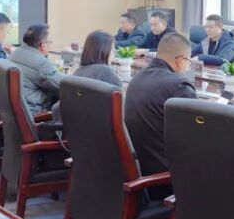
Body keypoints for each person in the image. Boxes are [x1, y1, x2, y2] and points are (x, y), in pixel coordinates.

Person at [123, 31, 197, 187]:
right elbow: (193, 138)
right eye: (188, 62)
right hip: (164, 179)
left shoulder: (137, 78)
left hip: (137, 169)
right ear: (180, 61)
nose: (187, 66)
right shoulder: (179, 86)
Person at [52, 30, 122, 122]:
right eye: (112, 50)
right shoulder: (106, 72)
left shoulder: (78, 71)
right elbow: (121, 109)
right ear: (104, 51)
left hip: (74, 128)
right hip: (100, 127)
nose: (113, 54)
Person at [9, 23, 64, 114]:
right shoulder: (41, 63)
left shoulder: (17, 52)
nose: (52, 45)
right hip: (35, 113)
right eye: (51, 42)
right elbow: (64, 85)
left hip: (18, 110)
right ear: (43, 45)